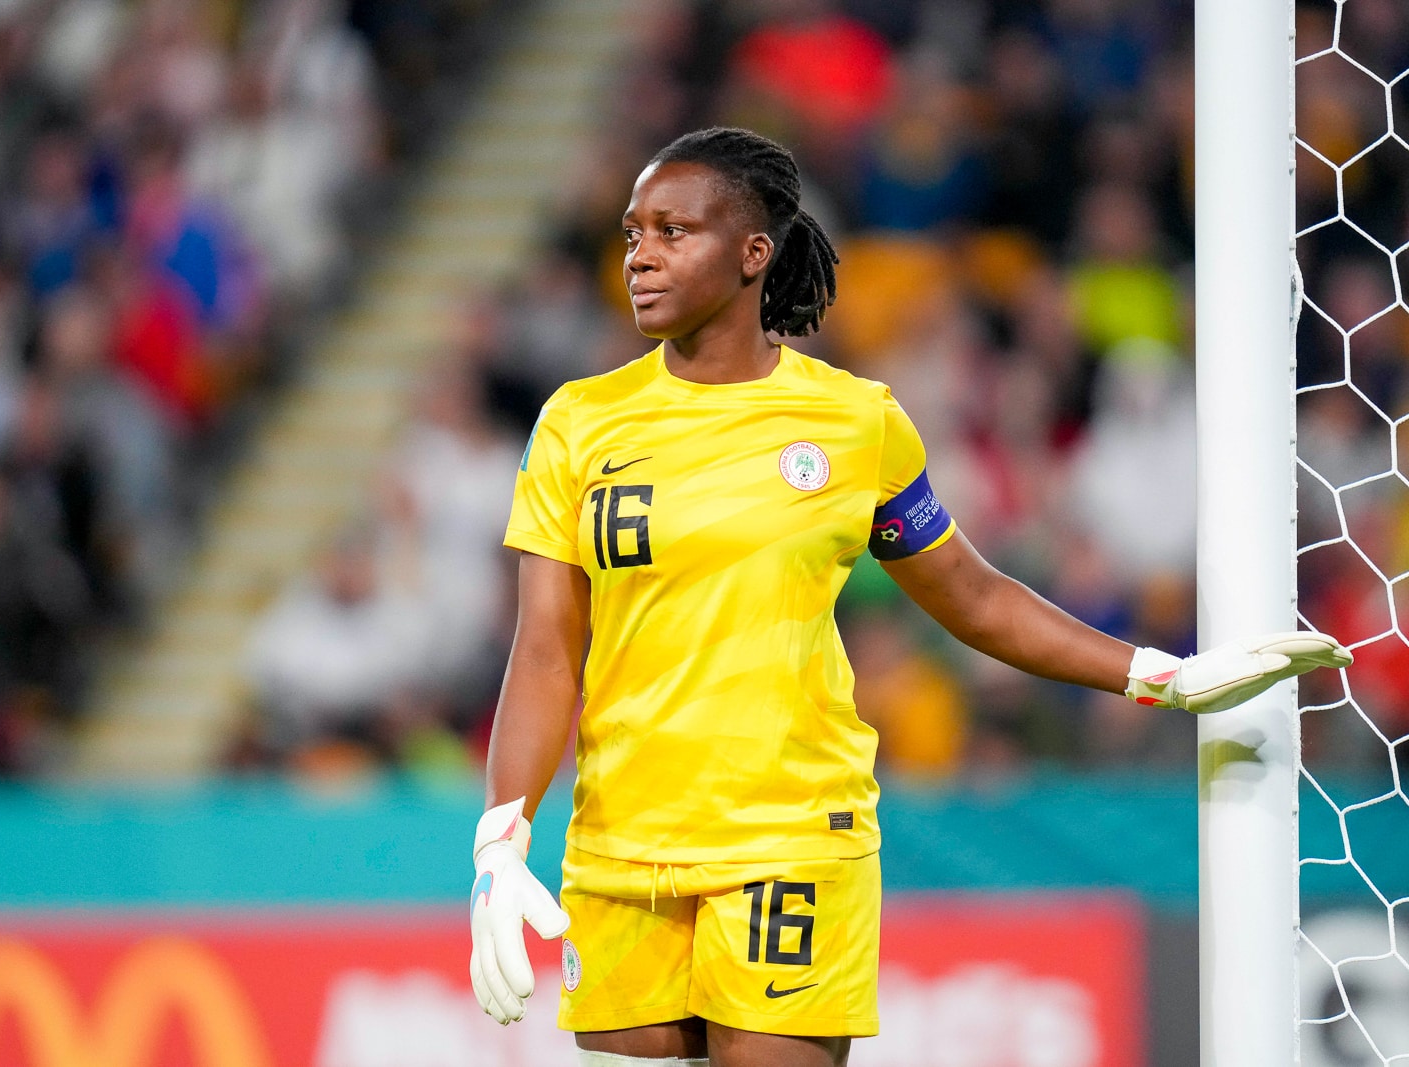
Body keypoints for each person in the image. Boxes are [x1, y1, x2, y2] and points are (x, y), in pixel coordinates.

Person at [468, 127, 1350, 1067]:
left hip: (791, 832)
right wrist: (498, 843)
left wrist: (1153, 673)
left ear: (752, 254)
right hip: (622, 844)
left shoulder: (853, 422)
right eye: (632, 230)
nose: (639, 253)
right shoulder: (577, 421)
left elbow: (970, 594)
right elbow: (547, 652)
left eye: (672, 230)